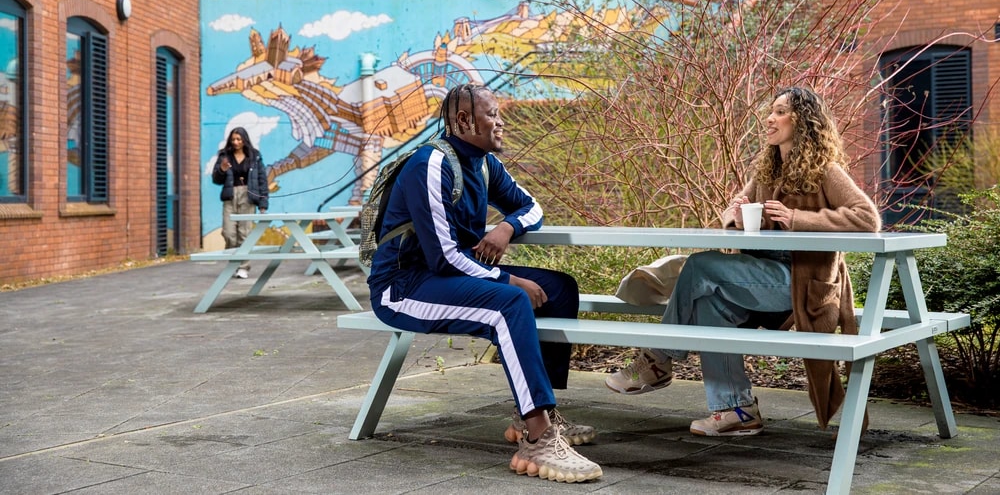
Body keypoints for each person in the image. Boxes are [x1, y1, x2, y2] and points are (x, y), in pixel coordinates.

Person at [605, 86, 881, 436]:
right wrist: (732, 215)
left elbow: (867, 218)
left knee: (700, 265)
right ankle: (737, 409)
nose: (769, 118)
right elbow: (733, 214)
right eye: (771, 111)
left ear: (805, 121)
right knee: (708, 308)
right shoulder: (767, 171)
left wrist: (797, 219)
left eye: (780, 111)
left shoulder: (826, 171)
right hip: (759, 276)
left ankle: (658, 358)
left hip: (799, 283)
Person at [367, 83, 602, 483]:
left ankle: (535, 411)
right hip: (403, 287)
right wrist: (507, 277)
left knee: (560, 289)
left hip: (446, 277)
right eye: (493, 114)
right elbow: (444, 256)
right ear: (463, 120)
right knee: (509, 302)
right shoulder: (432, 164)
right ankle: (539, 438)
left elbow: (532, 207)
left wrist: (506, 228)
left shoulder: (484, 164)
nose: (501, 122)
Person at [211, 126, 269, 278]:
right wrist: (221, 170)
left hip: (248, 196)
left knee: (244, 233)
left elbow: (262, 180)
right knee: (228, 233)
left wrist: (263, 203)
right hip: (230, 196)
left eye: (239, 139)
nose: (236, 142)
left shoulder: (254, 156)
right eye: (233, 139)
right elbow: (216, 179)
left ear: (244, 140)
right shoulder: (224, 156)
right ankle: (233, 263)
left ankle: (243, 266)